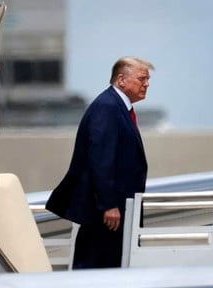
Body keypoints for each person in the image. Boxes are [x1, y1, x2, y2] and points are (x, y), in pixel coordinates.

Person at [46, 56, 154, 269]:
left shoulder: (117, 107)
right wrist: (109, 205)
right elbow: (101, 159)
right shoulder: (108, 107)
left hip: (115, 210)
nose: (147, 84)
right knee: (97, 266)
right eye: (142, 79)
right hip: (107, 213)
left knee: (106, 264)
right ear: (121, 80)